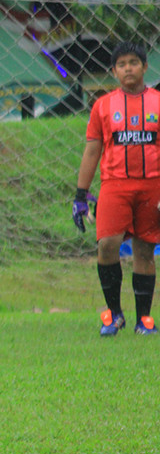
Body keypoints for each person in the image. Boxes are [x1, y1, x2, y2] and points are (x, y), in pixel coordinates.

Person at [73, 40, 160, 336]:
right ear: (114, 71)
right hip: (114, 186)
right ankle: (114, 314)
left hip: (152, 186)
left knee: (145, 250)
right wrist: (80, 195)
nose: (128, 69)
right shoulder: (103, 106)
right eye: (121, 65)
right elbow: (92, 150)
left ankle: (144, 320)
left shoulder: (158, 102)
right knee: (107, 245)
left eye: (133, 63)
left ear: (145, 67)